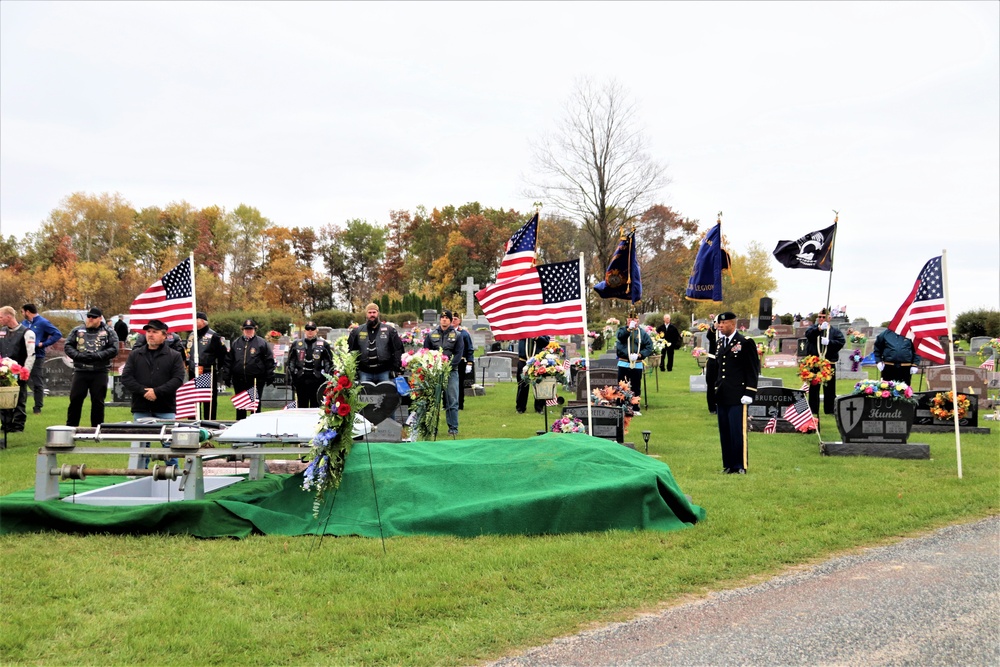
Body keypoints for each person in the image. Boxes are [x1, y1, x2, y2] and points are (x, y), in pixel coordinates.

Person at [713, 312, 759, 474]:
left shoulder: (745, 342)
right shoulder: (720, 343)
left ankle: (740, 465)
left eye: (723, 323)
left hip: (738, 395)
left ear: (732, 324)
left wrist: (749, 392)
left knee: (737, 431)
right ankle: (728, 464)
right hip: (723, 394)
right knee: (725, 432)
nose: (720, 326)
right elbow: (719, 369)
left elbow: (753, 370)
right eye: (719, 323)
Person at [64, 307, 119, 427]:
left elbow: (114, 349)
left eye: (93, 317)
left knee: (98, 401)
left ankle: (97, 428)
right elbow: (68, 346)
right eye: (88, 316)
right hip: (81, 370)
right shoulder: (77, 330)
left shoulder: (109, 331)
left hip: (100, 371)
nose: (90, 319)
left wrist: (98, 355)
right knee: (75, 399)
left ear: (100, 318)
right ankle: (71, 427)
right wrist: (79, 356)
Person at [222, 319, 274, 420]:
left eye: (250, 329)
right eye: (246, 329)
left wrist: (269, 375)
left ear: (255, 330)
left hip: (256, 380)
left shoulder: (261, 343)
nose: (248, 331)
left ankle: (255, 424)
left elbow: (269, 360)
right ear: (243, 330)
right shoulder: (236, 343)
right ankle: (240, 425)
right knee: (240, 405)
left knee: (255, 405)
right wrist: (226, 376)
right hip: (239, 379)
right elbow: (229, 360)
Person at [423, 310, 464, 436]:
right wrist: (432, 367)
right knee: (433, 400)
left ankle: (453, 428)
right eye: (442, 317)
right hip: (434, 373)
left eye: (447, 318)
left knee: (452, 400)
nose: (444, 319)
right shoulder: (431, 335)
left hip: (451, 372)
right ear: (439, 320)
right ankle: (432, 427)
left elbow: (458, 354)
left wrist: (448, 367)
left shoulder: (457, 335)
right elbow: (425, 352)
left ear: (451, 320)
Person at [0, 306, 36, 433]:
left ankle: (18, 425)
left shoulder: (27, 332)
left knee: (20, 398)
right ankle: (5, 424)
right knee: (4, 398)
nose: (0, 319)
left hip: (19, 371)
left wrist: (25, 371)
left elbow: (31, 354)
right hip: (4, 372)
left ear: (8, 316)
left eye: (1, 317)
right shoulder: (2, 332)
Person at [21, 304, 62, 415]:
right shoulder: (23, 324)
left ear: (27, 312)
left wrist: (44, 344)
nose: (22, 314)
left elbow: (57, 334)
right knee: (21, 381)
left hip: (37, 355)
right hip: (23, 356)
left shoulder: (42, 322)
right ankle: (20, 406)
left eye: (22, 312)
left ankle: (37, 407)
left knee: (37, 381)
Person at [186, 311, 227, 419]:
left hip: (208, 371)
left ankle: (209, 423)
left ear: (203, 321)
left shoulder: (213, 336)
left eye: (196, 319)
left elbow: (222, 354)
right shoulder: (191, 335)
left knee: (208, 400)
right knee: (193, 399)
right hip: (193, 372)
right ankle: (193, 422)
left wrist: (218, 369)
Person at [804, 308, 846, 416]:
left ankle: (830, 409)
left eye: (824, 317)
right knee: (814, 387)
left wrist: (829, 342)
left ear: (829, 318)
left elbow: (841, 342)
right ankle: (813, 409)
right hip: (815, 362)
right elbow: (808, 335)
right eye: (820, 317)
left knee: (830, 388)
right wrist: (818, 329)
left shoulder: (834, 331)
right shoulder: (813, 329)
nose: (821, 319)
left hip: (829, 363)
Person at [348, 303, 403, 383]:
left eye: (374, 312)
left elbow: (397, 350)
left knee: (386, 394)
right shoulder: (357, 332)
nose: (372, 315)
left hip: (384, 372)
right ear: (366, 314)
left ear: (378, 313)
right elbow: (351, 351)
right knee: (365, 395)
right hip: (364, 372)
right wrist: (354, 370)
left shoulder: (390, 330)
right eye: (369, 313)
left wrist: (395, 368)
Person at [287, 320, 333, 408]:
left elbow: (328, 362)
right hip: (301, 379)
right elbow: (291, 361)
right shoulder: (296, 344)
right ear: (305, 331)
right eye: (308, 329)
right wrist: (292, 375)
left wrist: (328, 377)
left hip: (317, 379)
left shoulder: (324, 344)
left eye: (312, 329)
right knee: (302, 405)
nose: (310, 331)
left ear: (316, 331)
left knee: (315, 406)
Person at [615, 311, 653, 411]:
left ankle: (635, 407)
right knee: (622, 386)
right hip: (624, 363)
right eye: (629, 319)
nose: (632, 321)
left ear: (638, 320)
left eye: (634, 319)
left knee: (636, 387)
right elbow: (621, 337)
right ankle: (620, 406)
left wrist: (640, 355)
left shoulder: (642, 333)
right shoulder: (622, 330)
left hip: (637, 363)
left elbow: (649, 346)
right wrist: (629, 330)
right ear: (627, 320)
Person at [516, 335, 550, 414]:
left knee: (539, 384)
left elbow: (546, 342)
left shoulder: (541, 329)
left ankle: (539, 408)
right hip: (523, 360)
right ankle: (520, 408)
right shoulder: (523, 329)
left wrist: (537, 337)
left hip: (537, 361)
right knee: (522, 385)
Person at [452, 313, 474, 410]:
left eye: (455, 319)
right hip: (448, 361)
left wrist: (469, 362)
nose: (453, 320)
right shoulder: (446, 332)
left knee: (459, 384)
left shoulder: (464, 333)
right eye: (451, 318)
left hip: (460, 361)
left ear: (459, 321)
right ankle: (446, 404)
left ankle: (460, 404)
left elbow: (469, 348)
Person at [704, 315, 719, 414]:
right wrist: (714, 327)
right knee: (711, 385)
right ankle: (712, 407)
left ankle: (720, 405)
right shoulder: (713, 333)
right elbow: (709, 335)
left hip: (724, 362)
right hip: (713, 361)